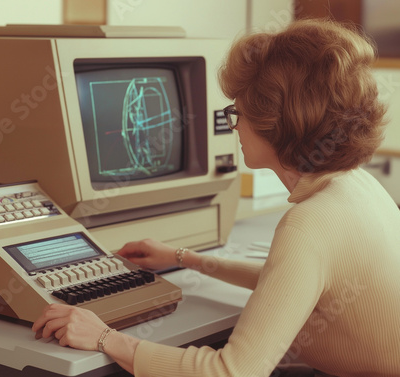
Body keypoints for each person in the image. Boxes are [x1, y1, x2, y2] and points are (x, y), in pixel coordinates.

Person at [32, 19, 400, 377]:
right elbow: (287, 284)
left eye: (237, 113)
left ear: (278, 121)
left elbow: (231, 371)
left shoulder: (310, 222)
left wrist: (104, 338)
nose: (234, 125)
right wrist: (185, 258)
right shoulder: (356, 185)